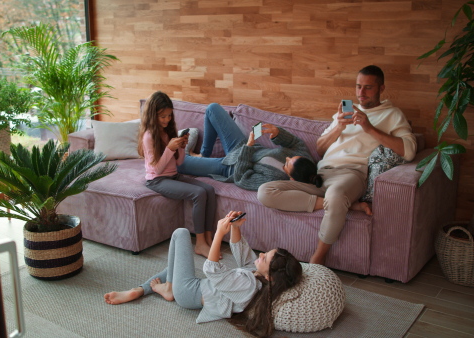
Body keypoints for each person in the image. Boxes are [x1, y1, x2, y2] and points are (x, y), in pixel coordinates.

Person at [258, 65, 417, 266]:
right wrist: (339, 127)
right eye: (358, 87)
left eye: (368, 88)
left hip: (351, 175)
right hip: (321, 174)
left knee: (335, 195)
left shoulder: (392, 114)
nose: (361, 93)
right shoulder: (343, 113)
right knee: (265, 191)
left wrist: (368, 127)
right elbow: (320, 149)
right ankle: (346, 205)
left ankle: (318, 258)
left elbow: (410, 150)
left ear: (381, 88)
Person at [104, 211, 302, 337]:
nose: (261, 255)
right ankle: (139, 290)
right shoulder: (257, 278)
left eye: (265, 258)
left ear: (271, 277)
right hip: (196, 289)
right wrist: (234, 227)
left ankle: (170, 289)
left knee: (181, 233)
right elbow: (242, 252)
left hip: (189, 293)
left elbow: (211, 269)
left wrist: (218, 234)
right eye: (265, 253)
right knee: (170, 268)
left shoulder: (248, 284)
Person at [138, 91, 217, 258]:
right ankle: (200, 243)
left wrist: (181, 147)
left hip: (173, 175)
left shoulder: (169, 131)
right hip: (157, 180)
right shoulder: (149, 136)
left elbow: (179, 163)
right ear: (153, 115)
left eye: (169, 115)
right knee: (199, 193)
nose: (167, 119)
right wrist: (170, 149)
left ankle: (209, 239)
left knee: (209, 189)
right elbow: (157, 169)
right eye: (163, 116)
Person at [177, 102, 321, 191]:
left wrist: (249, 146)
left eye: (287, 163)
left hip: (230, 167)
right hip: (240, 146)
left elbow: (241, 179)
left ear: (291, 179)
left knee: (178, 162)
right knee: (212, 109)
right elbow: (296, 143)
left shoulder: (274, 181)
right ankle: (204, 155)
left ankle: (193, 157)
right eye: (291, 157)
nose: (287, 157)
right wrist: (278, 133)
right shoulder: (305, 161)